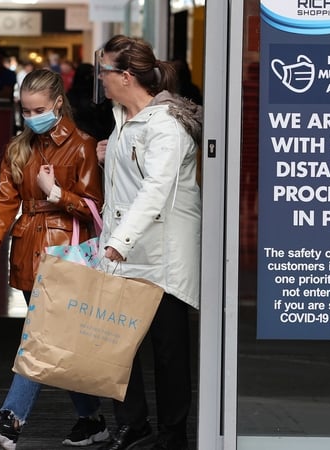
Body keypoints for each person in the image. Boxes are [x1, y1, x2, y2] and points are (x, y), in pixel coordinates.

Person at [0, 69, 107, 450]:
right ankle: (91, 419)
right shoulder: (20, 148)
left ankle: (11, 420)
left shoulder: (82, 146)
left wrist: (56, 193)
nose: (31, 117)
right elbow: (2, 196)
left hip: (65, 257)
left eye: (38, 109)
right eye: (25, 110)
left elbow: (95, 209)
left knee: (40, 339)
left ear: (58, 104)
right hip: (30, 253)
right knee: (55, 340)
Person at [95, 35, 202, 450]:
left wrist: (117, 242)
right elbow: (131, 180)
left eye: (103, 71)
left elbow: (156, 189)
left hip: (162, 259)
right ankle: (135, 424)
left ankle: (172, 436)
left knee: (167, 353)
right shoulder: (123, 117)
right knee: (115, 343)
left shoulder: (166, 125)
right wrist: (111, 154)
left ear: (125, 75)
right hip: (125, 251)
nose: (99, 79)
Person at [67, 63, 115, 141]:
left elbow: (108, 118)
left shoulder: (101, 95)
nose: (95, 77)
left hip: (101, 140)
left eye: (94, 73)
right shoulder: (72, 96)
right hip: (78, 140)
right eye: (91, 74)